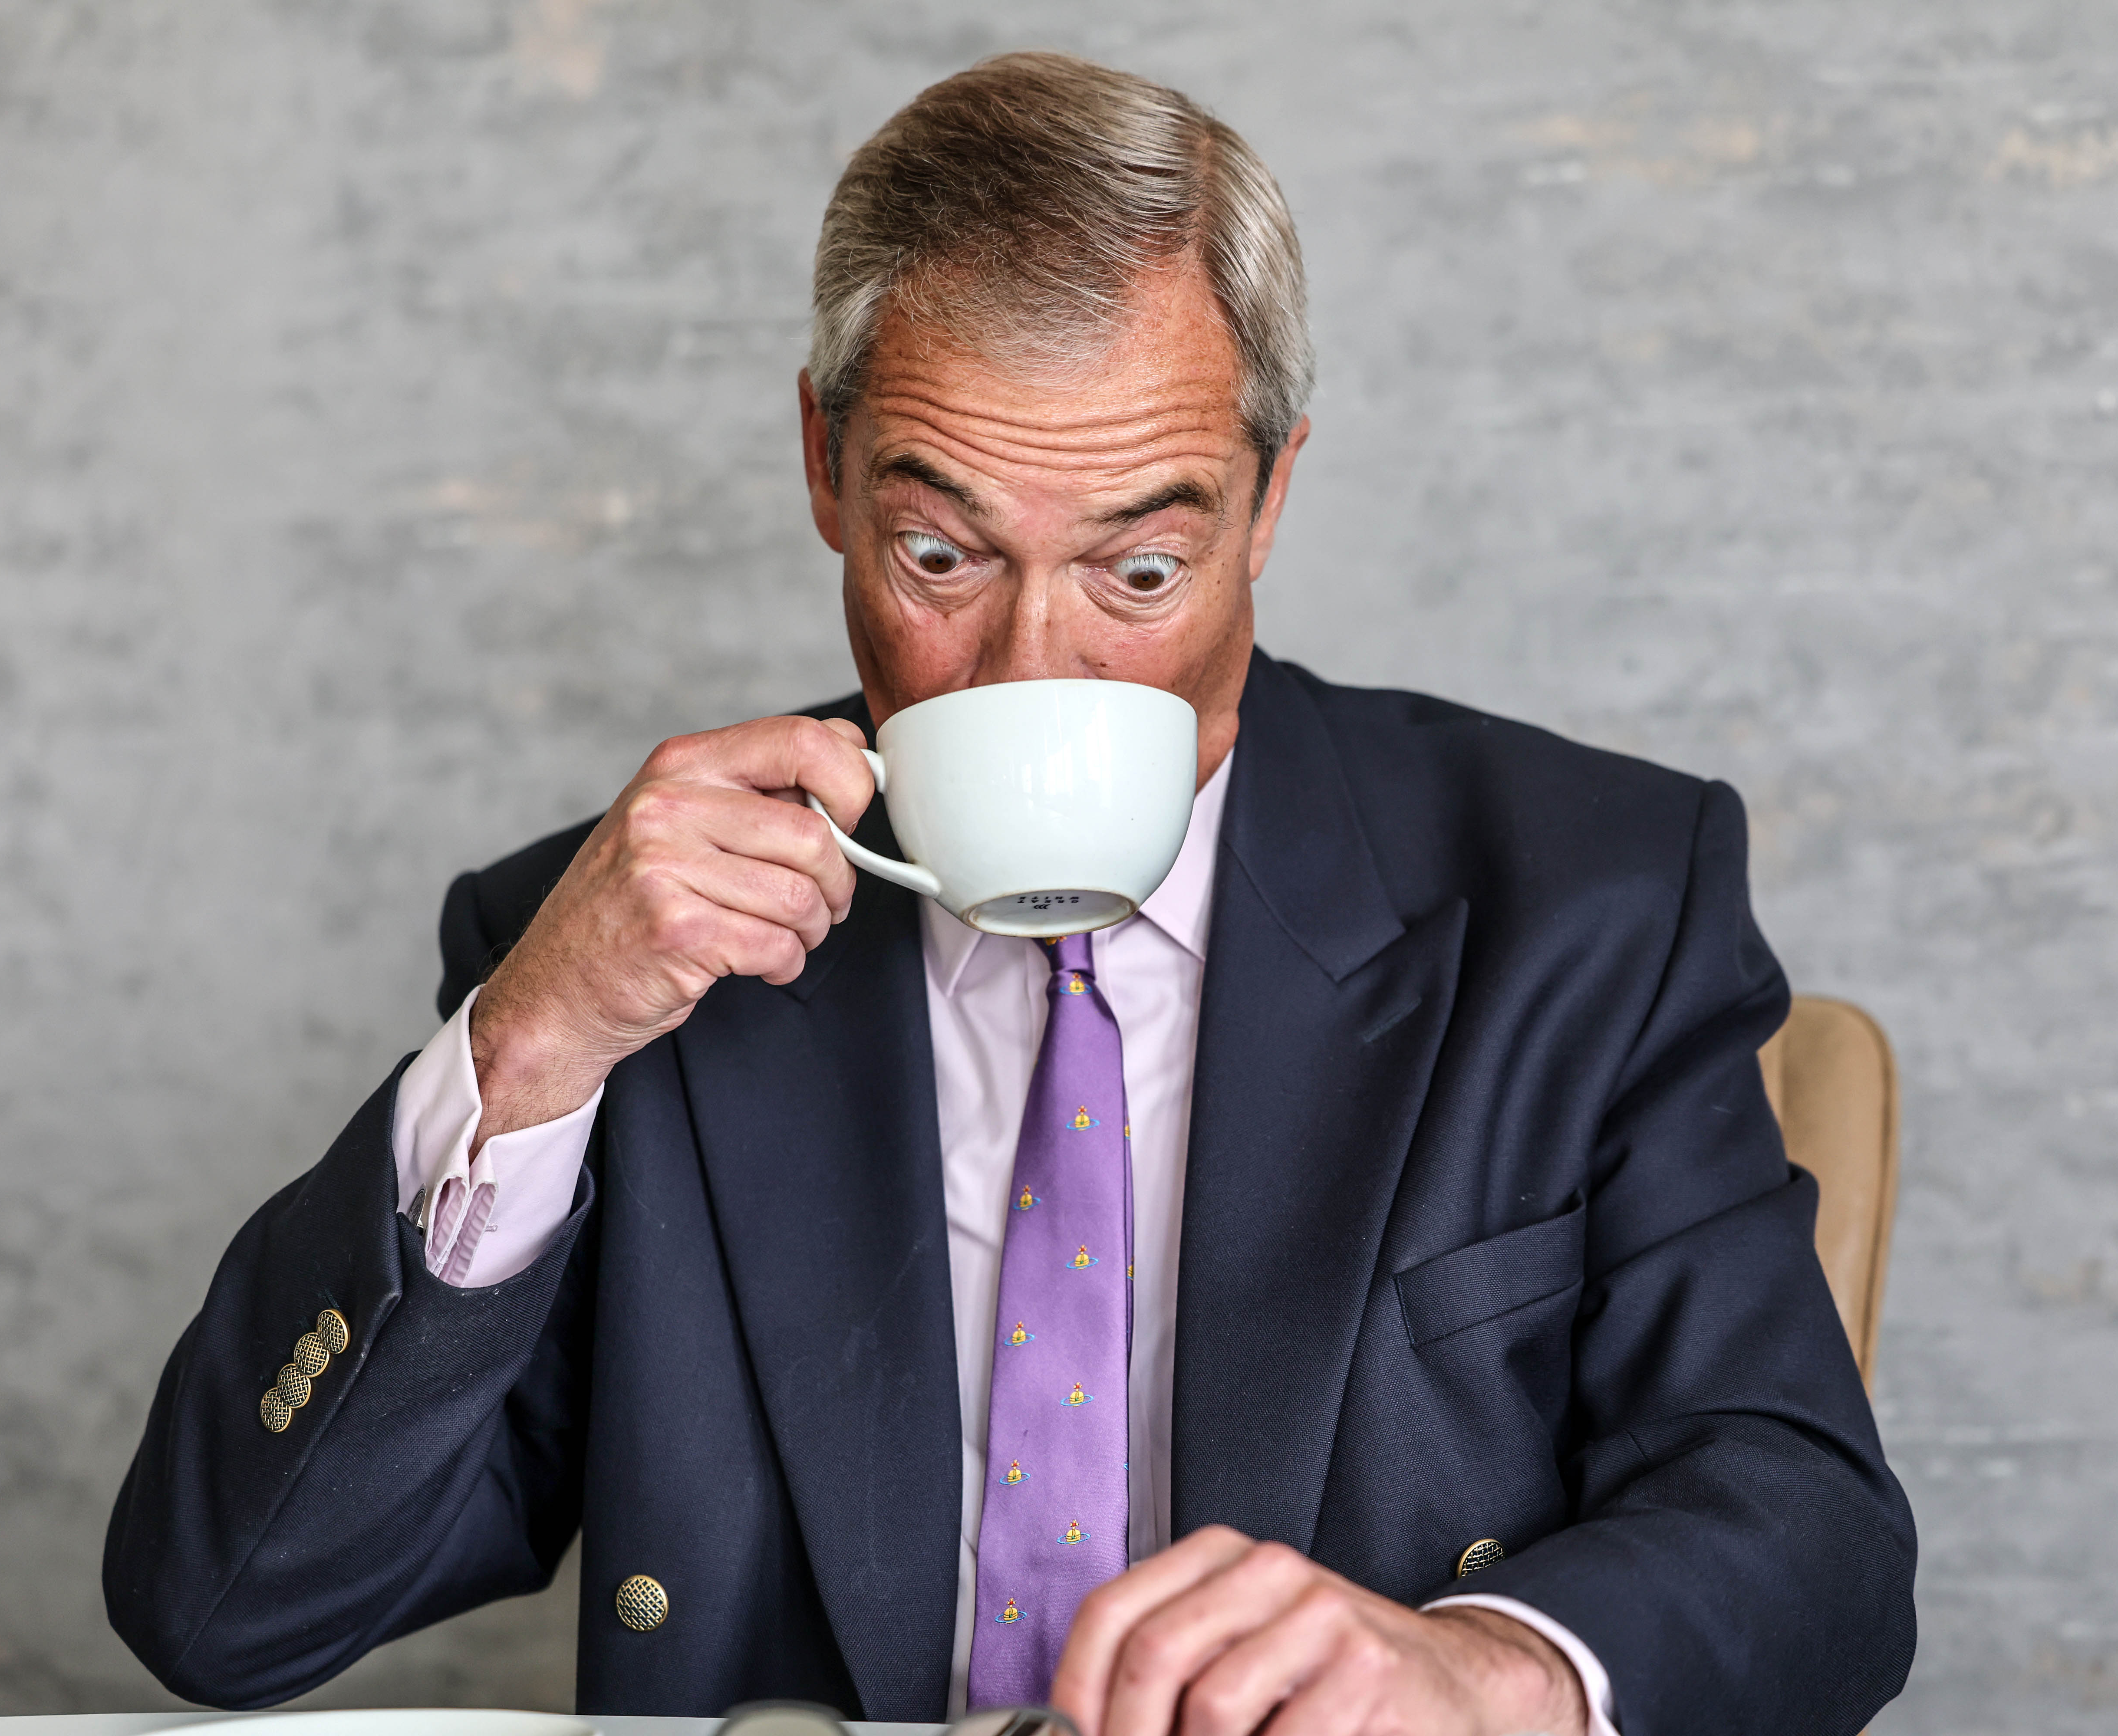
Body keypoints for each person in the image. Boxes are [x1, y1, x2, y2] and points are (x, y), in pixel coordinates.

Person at [104, 52, 1914, 1736]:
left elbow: (1813, 1540)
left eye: (1139, 562)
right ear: (824, 466)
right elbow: (224, 1609)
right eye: (942, 552)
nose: (1030, 666)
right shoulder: (624, 951)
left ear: (1270, 498)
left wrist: (1483, 1669)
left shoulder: (1586, 900)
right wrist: (529, 1046)